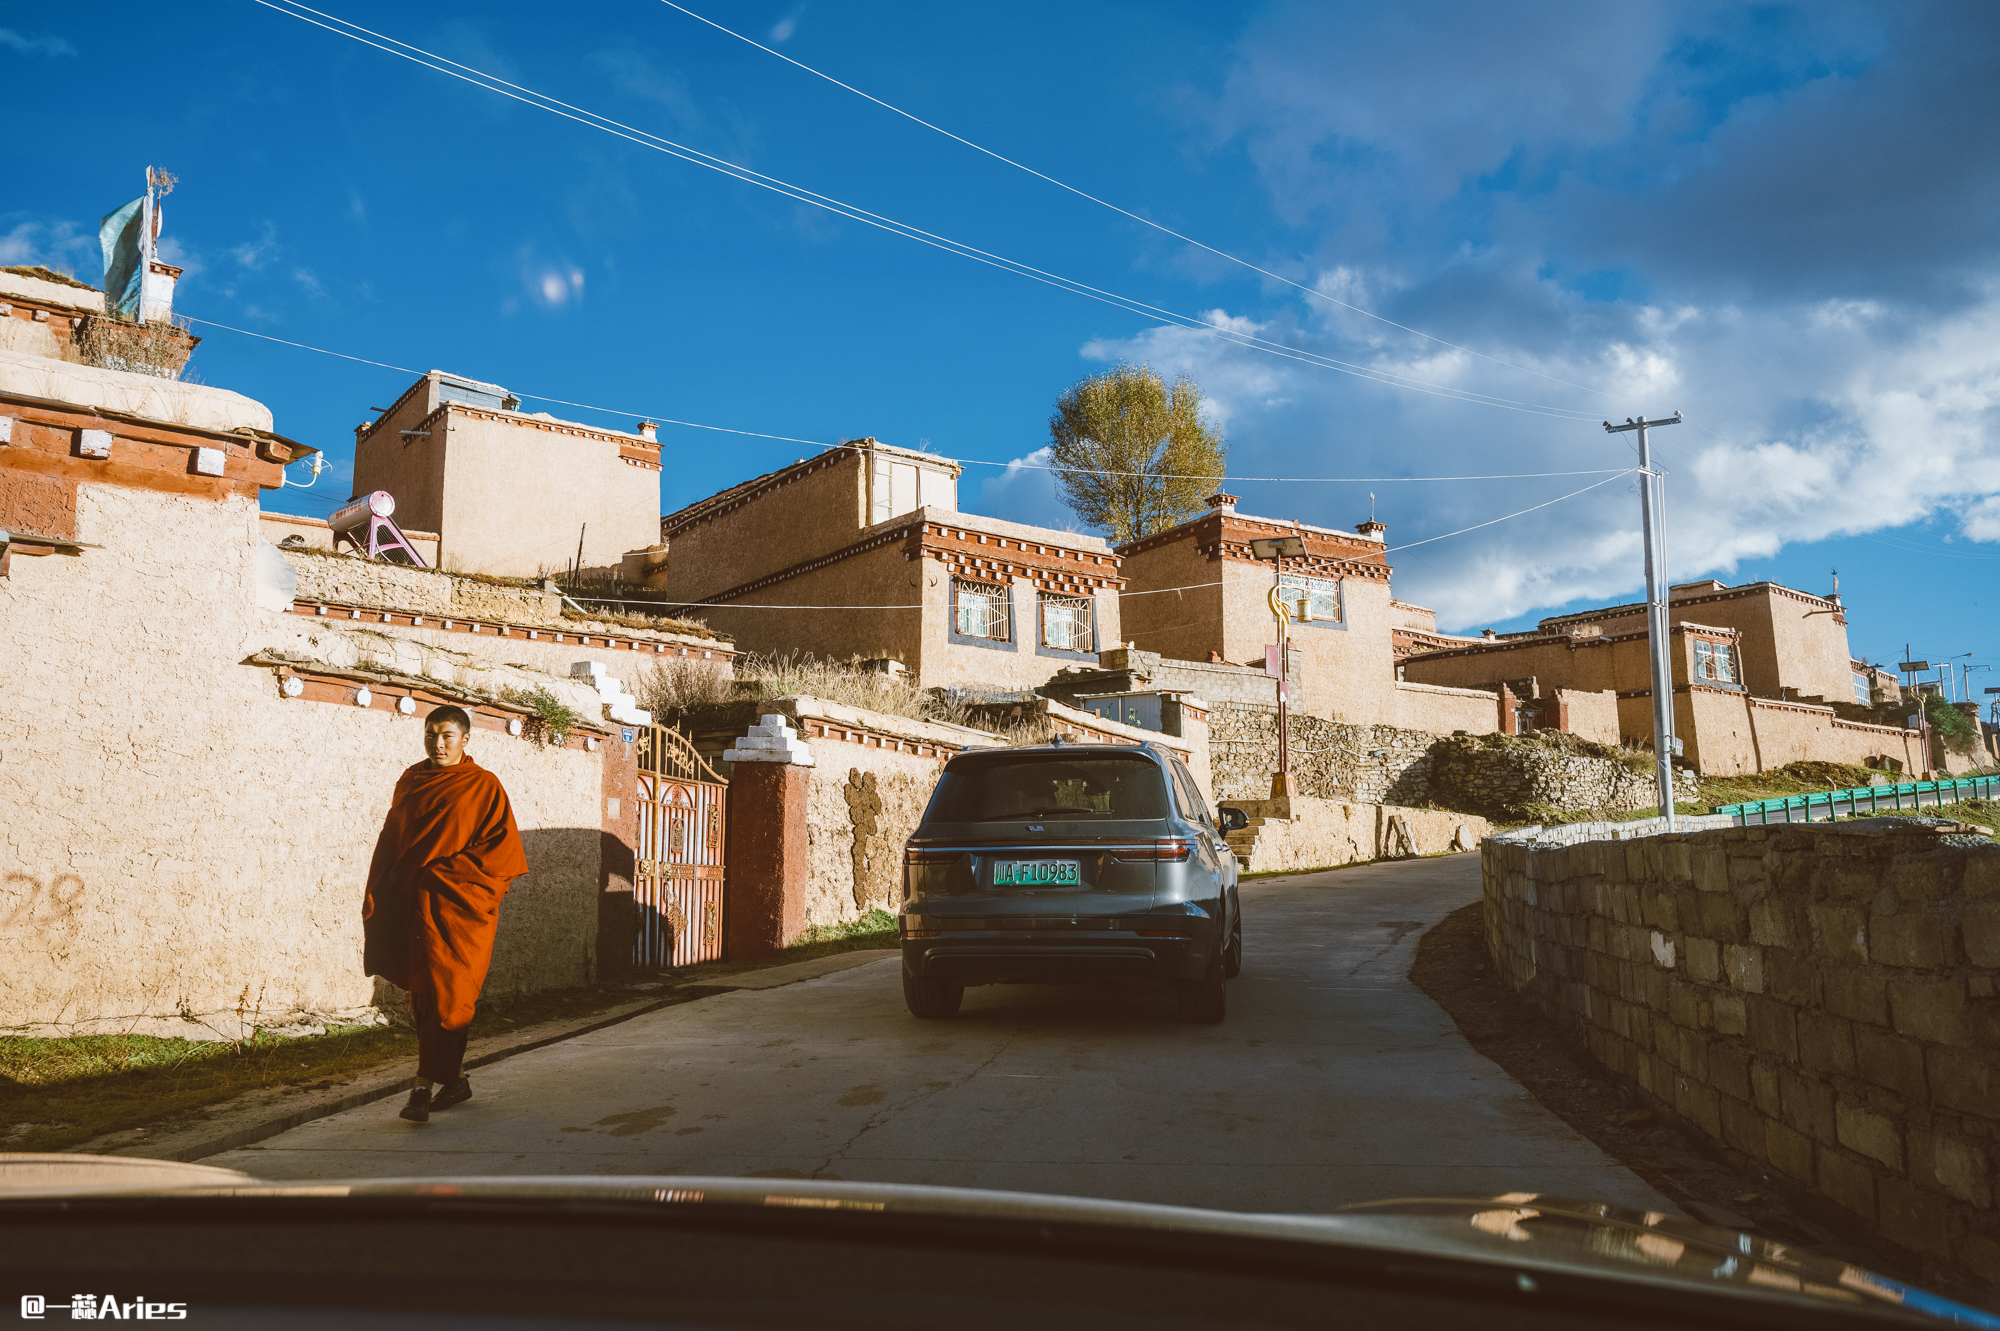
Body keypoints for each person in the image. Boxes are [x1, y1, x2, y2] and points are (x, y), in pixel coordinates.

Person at [362, 705, 529, 1123]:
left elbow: (503, 855)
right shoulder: (411, 781)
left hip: (460, 910)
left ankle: (422, 1087)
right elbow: (393, 841)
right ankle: (450, 1083)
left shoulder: (483, 786)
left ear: (465, 739)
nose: (437, 743)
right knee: (425, 997)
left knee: (451, 999)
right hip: (415, 908)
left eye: (447, 735)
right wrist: (387, 889)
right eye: (430, 734)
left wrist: (442, 874)